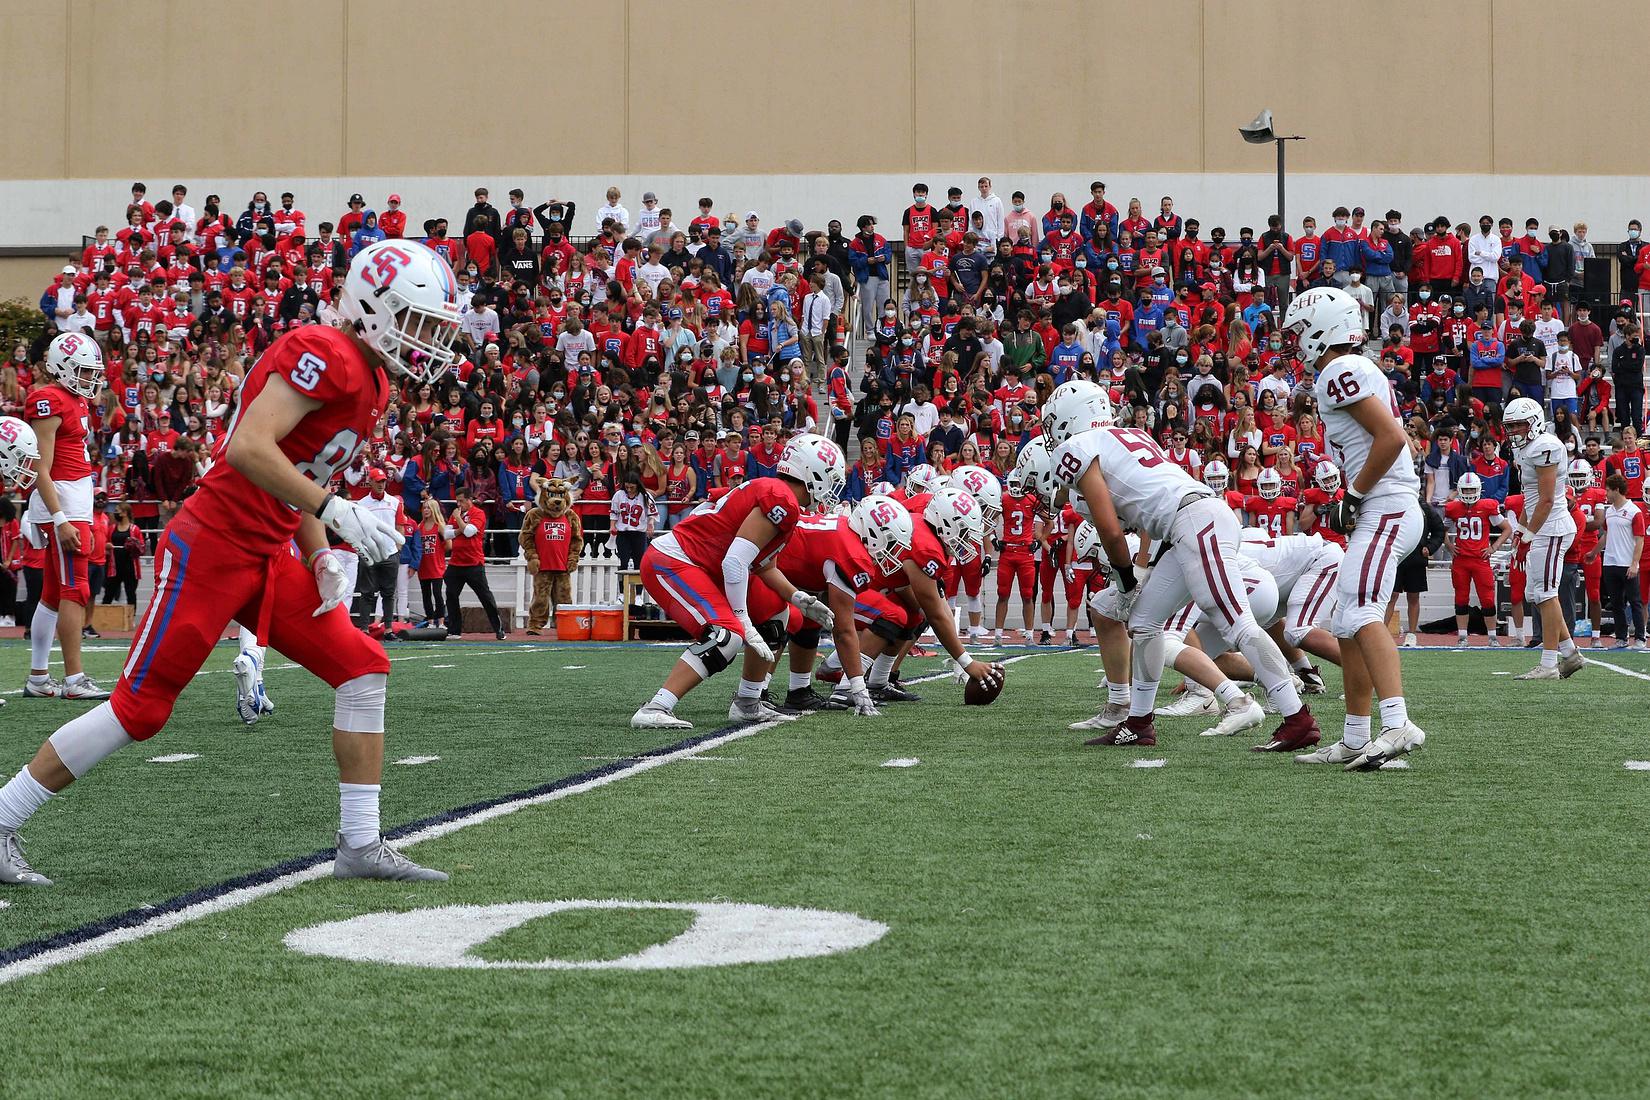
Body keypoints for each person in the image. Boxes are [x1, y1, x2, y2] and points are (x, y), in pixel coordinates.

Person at [0, 238, 460, 887]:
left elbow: (293, 470)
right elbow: (249, 447)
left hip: (267, 553)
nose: (426, 339)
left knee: (363, 668)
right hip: (213, 545)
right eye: (417, 321)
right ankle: (1, 819)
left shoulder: (371, 374)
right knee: (142, 708)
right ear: (376, 309)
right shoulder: (326, 352)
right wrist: (336, 509)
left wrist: (320, 551)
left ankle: (359, 843)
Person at [1041, 380, 1320, 752]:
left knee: (1237, 624)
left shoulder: (1078, 446)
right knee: (1144, 622)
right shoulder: (1127, 435)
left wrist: (1126, 580)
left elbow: (1109, 528)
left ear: (1070, 418)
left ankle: (1297, 718)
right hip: (1186, 523)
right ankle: (1139, 723)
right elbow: (1146, 508)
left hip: (1194, 521)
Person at [1279, 286, 1426, 769]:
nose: (1296, 340)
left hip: (1386, 505)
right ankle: (1355, 735)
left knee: (1361, 609)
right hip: (1383, 505)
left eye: (1301, 329)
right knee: (1346, 619)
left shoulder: (1340, 369)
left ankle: (1398, 721)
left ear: (1322, 327)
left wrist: (1355, 494)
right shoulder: (1353, 369)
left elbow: (1391, 438)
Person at [631, 434, 846, 729]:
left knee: (778, 614)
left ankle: (748, 702)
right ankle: (657, 706)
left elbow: (763, 565)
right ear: (812, 472)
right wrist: (741, 619)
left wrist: (798, 597)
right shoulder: (781, 499)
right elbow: (735, 561)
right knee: (727, 635)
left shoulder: (778, 495)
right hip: (676, 561)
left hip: (707, 566)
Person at [23, 333, 111, 701]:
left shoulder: (74, 399)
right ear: (62, 367)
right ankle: (74, 679)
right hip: (62, 502)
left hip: (74, 500)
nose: (91, 379)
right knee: (76, 589)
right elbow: (40, 467)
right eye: (85, 371)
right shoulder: (47, 398)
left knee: (54, 593)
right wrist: (59, 518)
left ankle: (39, 677)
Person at [1503, 397, 1585, 680]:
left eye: (1518, 425)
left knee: (1546, 595)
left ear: (1534, 423)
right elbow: (1531, 499)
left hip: (1551, 528)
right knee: (1538, 595)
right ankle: (1570, 654)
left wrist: (1528, 534)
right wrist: (1520, 530)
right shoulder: (1527, 448)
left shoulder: (1545, 447)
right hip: (1542, 527)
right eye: (1510, 425)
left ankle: (1549, 664)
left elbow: (1547, 500)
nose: (1513, 431)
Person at [1444, 473, 1510, 647]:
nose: (1469, 492)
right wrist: (1449, 546)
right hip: (1461, 561)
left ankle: (1493, 637)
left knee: (1487, 599)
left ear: (1479, 489)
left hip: (1481, 560)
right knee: (1461, 598)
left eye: (1472, 489)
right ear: (1459, 489)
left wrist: (1493, 548)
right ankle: (1463, 637)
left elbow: (1507, 528)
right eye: (1466, 489)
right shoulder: (1453, 508)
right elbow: (1441, 529)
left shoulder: (1488, 506)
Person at [521, 477, 581, 635]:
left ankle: (564, 625)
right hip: (543, 566)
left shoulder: (571, 516)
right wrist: (532, 556)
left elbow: (577, 540)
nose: (556, 501)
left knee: (564, 598)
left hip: (562, 566)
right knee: (540, 597)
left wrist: (573, 558)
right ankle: (535, 625)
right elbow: (526, 537)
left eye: (561, 496)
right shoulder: (535, 515)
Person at [443, 485, 503, 639]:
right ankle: (454, 630)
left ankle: (498, 628)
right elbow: (446, 534)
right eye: (457, 501)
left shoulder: (479, 513)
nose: (459, 504)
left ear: (470, 500)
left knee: (485, 597)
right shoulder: (457, 514)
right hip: (456, 563)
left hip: (473, 563)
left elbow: (470, 532)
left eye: (461, 501)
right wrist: (460, 528)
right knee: (451, 594)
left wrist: (458, 520)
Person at [1595, 473, 1645, 649]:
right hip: (1610, 562)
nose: (1606, 493)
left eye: (1608, 490)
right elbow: (1607, 535)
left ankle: (1640, 638)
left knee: (1635, 601)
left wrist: (1634, 563)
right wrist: (1594, 552)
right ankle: (1621, 638)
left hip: (1626, 563)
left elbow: (1640, 539)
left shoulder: (1634, 511)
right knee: (1616, 603)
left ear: (1617, 490)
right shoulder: (1609, 512)